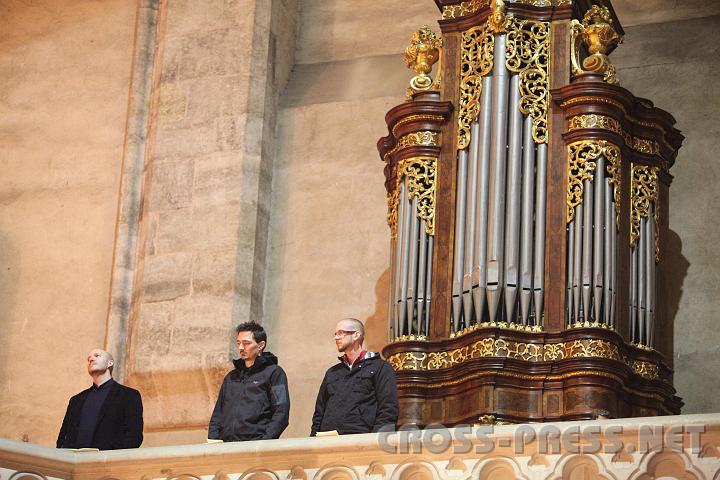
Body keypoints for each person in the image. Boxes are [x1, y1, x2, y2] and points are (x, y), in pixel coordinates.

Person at [311, 318, 398, 436]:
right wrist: (313, 440)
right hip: (327, 439)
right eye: (335, 334)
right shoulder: (332, 372)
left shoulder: (380, 367)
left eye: (341, 333)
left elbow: (388, 408)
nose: (336, 337)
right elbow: (319, 412)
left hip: (361, 438)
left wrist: (376, 440)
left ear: (356, 335)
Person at [208, 322, 290, 441]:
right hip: (225, 447)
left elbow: (281, 412)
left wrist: (264, 442)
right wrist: (214, 440)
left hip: (255, 446)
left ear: (261, 345)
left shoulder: (274, 373)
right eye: (238, 343)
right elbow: (217, 414)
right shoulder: (231, 377)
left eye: (246, 343)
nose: (241, 347)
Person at [57, 349, 143, 450]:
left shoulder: (129, 395)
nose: (91, 359)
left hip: (108, 462)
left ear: (109, 363)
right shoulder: (76, 400)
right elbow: (63, 436)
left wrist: (111, 457)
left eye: (97, 356)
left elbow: (134, 436)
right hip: (74, 462)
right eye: (89, 359)